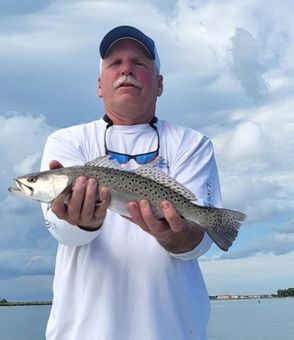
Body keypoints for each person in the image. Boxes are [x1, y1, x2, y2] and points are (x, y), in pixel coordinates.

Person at [41, 25, 222, 340]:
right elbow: (61, 233)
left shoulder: (192, 143)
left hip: (176, 331)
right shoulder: (66, 141)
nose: (126, 69)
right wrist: (78, 224)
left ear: (160, 84)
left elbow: (199, 244)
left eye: (139, 62)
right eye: (114, 63)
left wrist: (178, 237)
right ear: (100, 84)